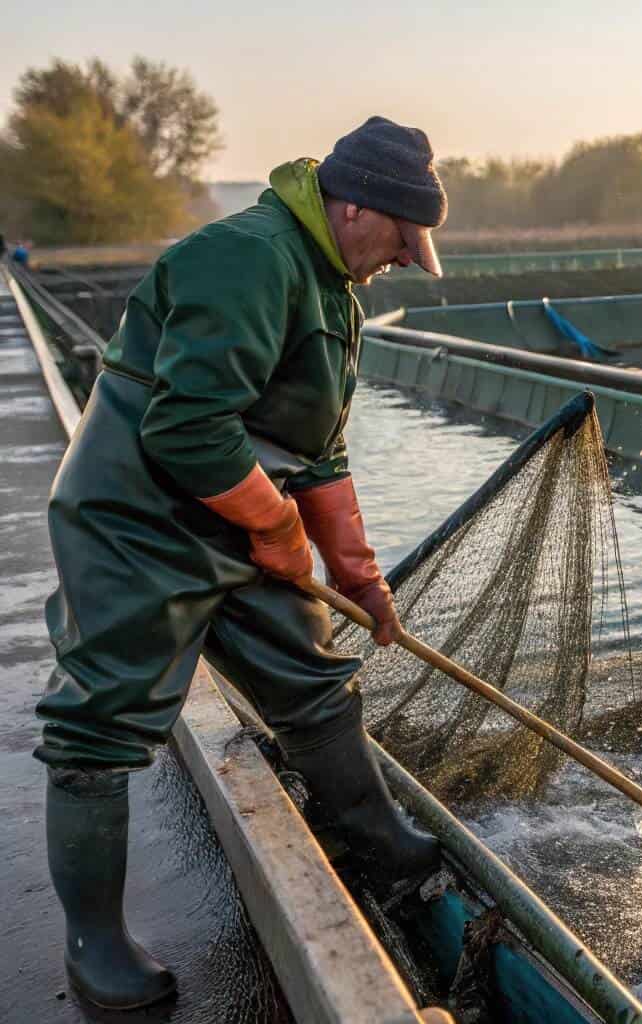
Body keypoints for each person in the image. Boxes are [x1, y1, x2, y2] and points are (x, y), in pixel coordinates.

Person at [36, 115, 447, 1010]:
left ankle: (380, 844)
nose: (409, 260)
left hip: (233, 513)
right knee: (100, 728)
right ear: (354, 207)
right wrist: (274, 528)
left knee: (311, 679)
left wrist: (360, 578)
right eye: (405, 239)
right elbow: (184, 427)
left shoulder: (333, 287)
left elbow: (321, 454)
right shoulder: (253, 256)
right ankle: (94, 950)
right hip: (137, 520)